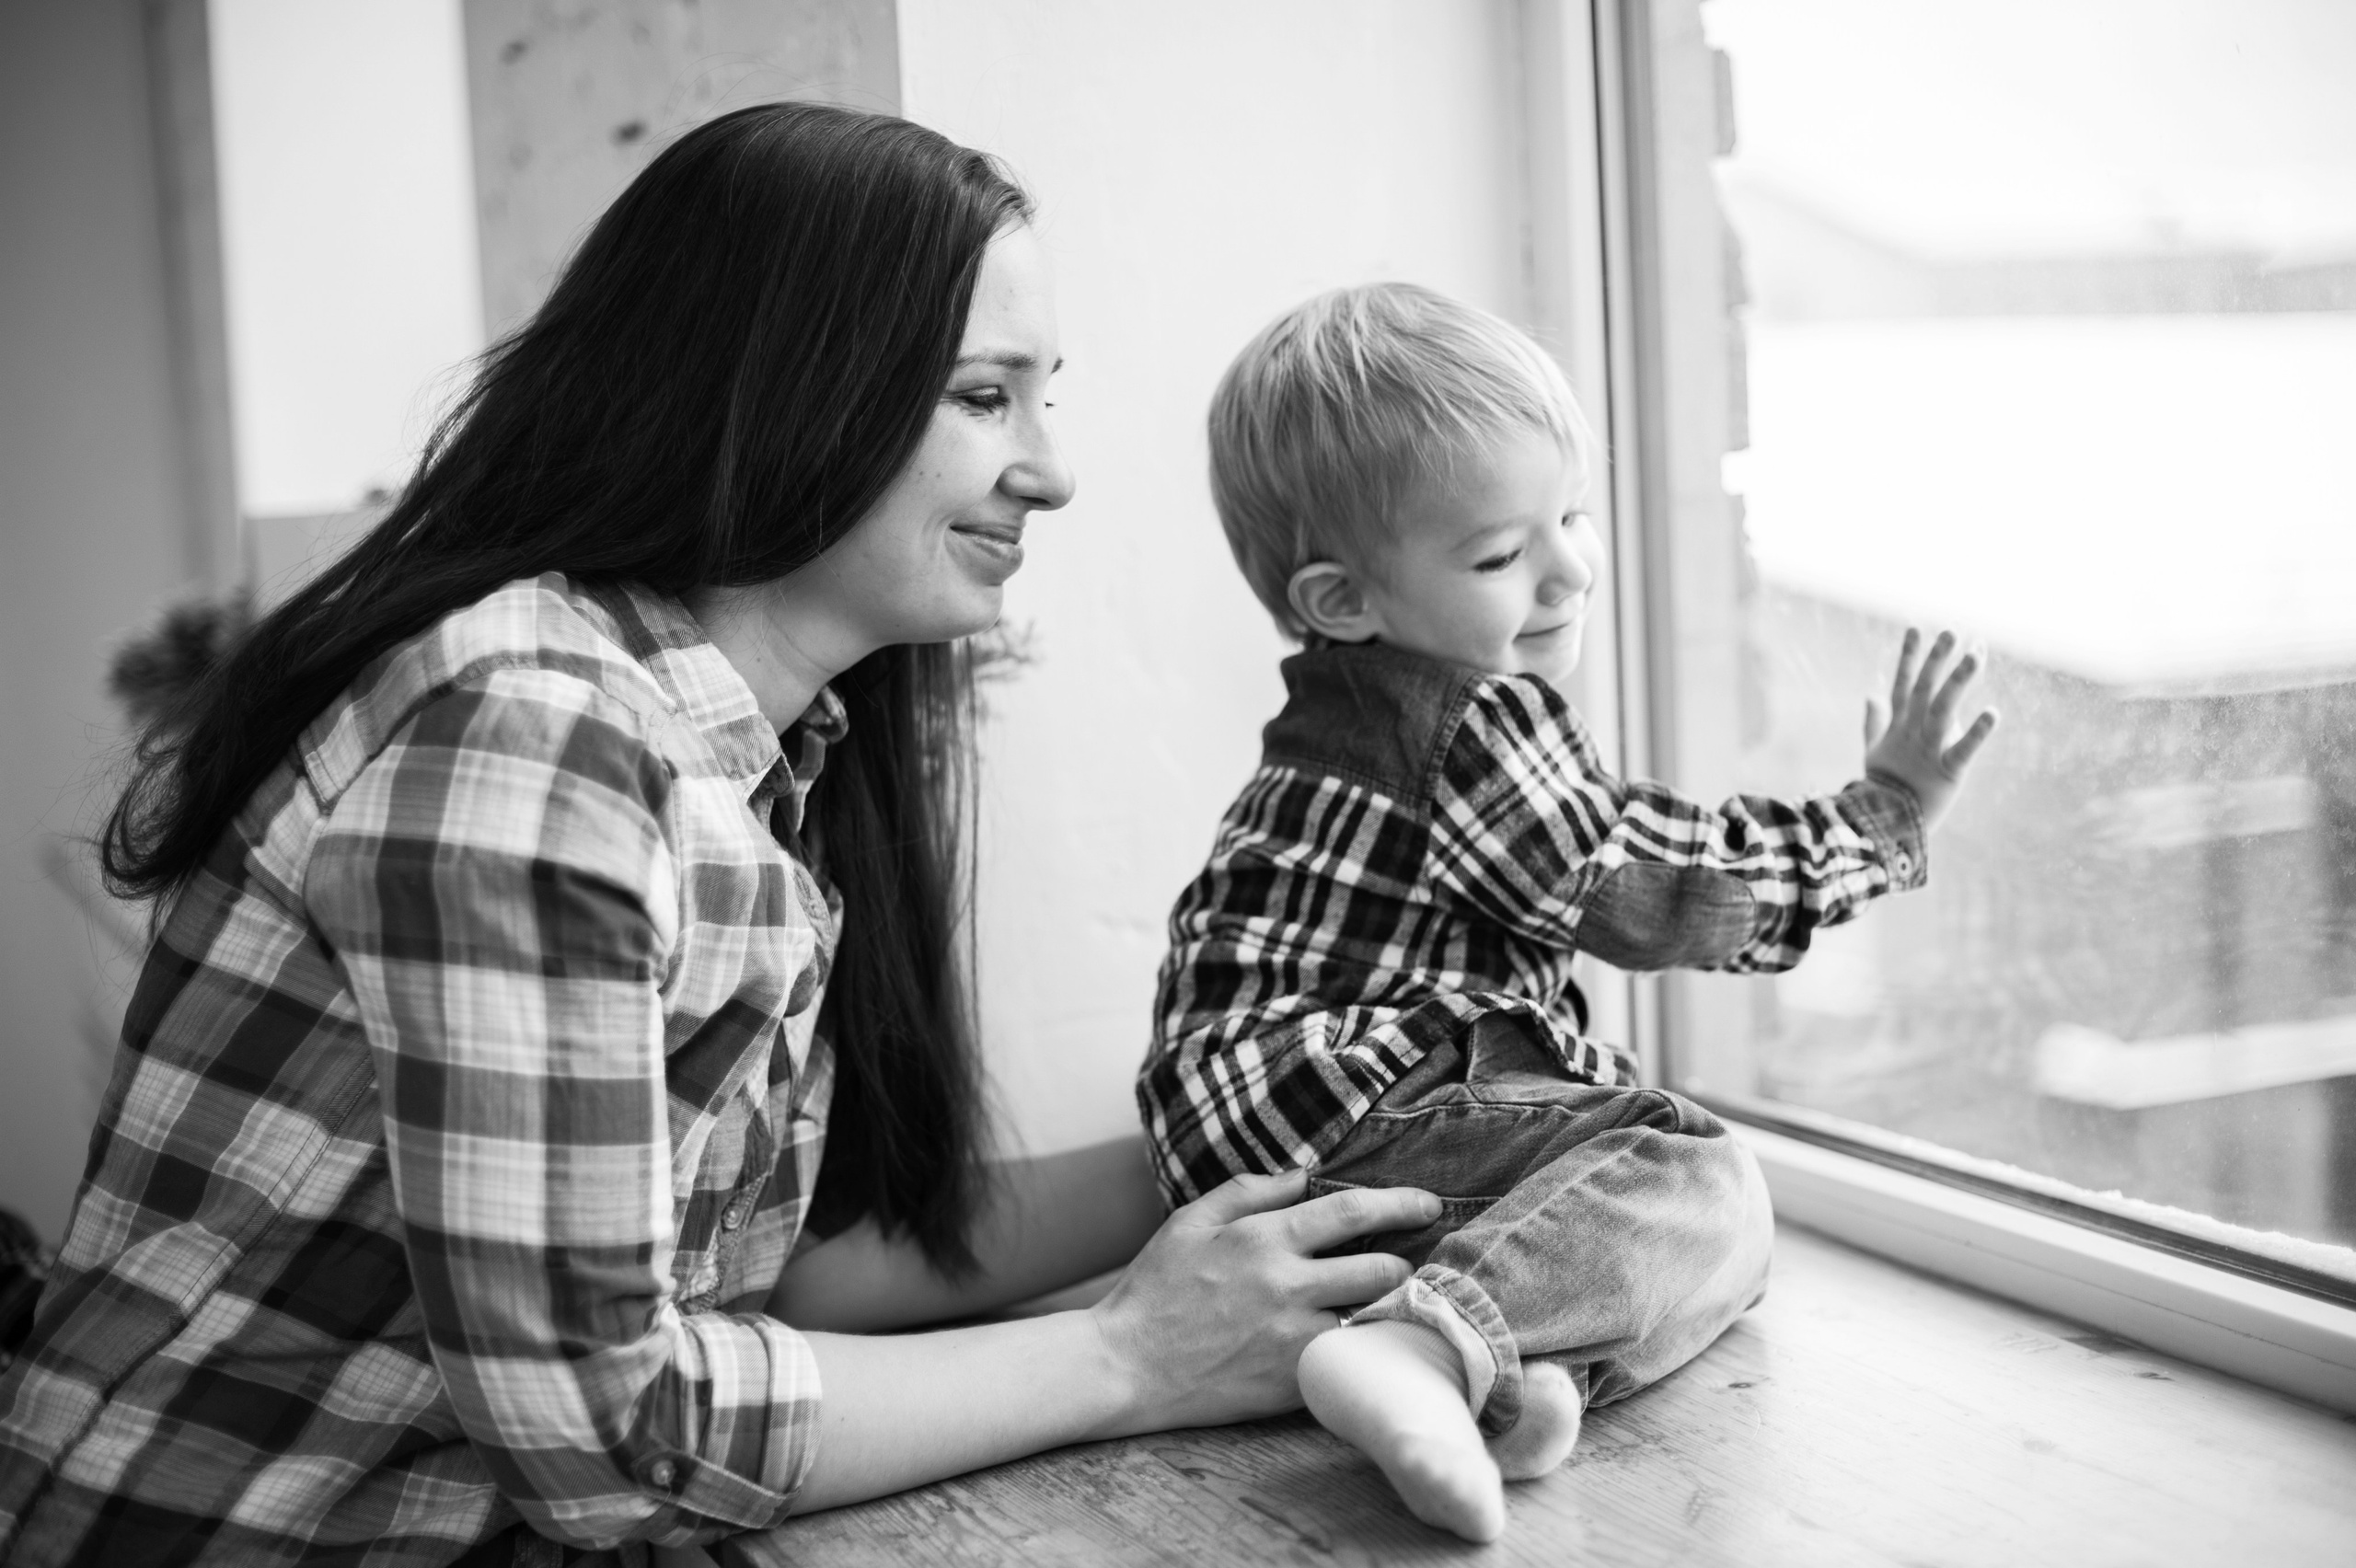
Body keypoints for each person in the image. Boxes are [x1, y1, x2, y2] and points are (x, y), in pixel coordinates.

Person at [0, 105, 1441, 1568]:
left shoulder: (751, 755)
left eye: (1043, 395)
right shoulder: (531, 732)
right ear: (788, 386)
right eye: (982, 396)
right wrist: (1136, 1357)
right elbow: (609, 1434)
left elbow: (786, 1279)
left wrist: (1262, 1143)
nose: (1052, 472)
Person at [1138, 282, 1998, 1542]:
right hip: (1353, 1099)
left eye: (1573, 518)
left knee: (1700, 1251)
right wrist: (1880, 821)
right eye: (1501, 555)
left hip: (1257, 1149)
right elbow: (1655, 890)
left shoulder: (1342, 723)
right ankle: (1429, 1348)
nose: (1569, 572)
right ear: (1342, 603)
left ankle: (1493, 1373)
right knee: (1702, 1177)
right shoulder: (1464, 719)